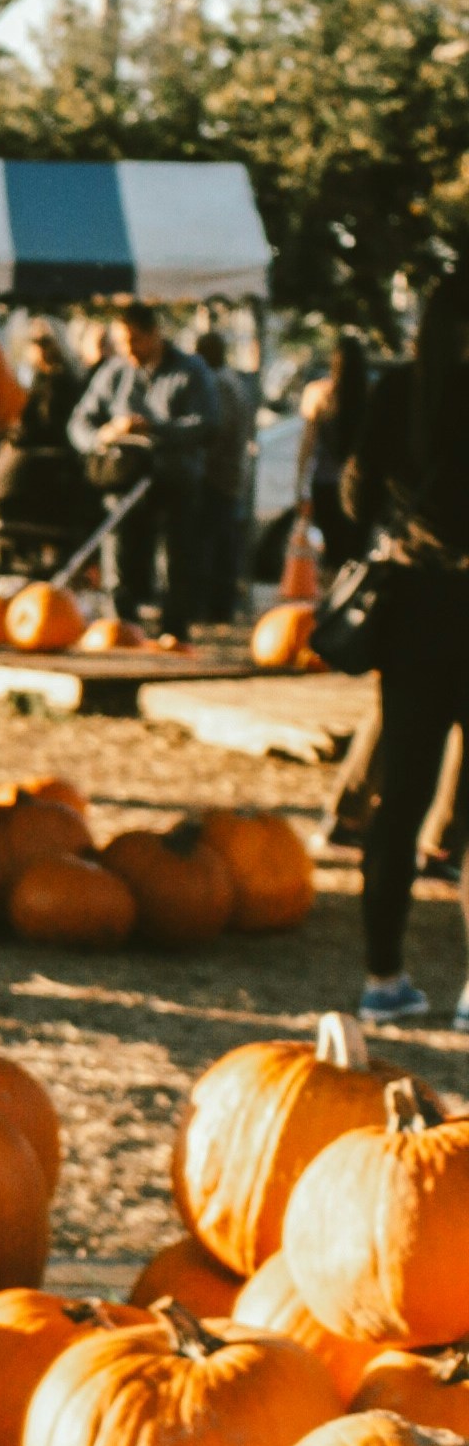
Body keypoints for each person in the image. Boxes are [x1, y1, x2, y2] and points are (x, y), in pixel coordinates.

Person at [341, 273, 469, 1026]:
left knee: (401, 800)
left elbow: (354, 498)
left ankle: (383, 977)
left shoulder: (399, 393)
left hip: (416, 610)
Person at [67, 302, 218, 641]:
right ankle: (120, 623)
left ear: (155, 334)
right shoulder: (115, 371)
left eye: (135, 340)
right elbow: (79, 422)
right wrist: (102, 435)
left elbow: (207, 423)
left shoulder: (190, 371)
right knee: (118, 549)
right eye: (122, 342)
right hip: (125, 477)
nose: (129, 349)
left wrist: (156, 429)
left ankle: (174, 629)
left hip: (172, 477)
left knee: (175, 557)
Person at [0, 320, 92, 561]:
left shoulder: (62, 384)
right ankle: (10, 554)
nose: (38, 349)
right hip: (26, 454)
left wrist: (14, 434)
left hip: (43, 463)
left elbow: (46, 426)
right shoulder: (35, 380)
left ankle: (14, 553)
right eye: (33, 343)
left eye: (43, 342)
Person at [297, 334, 373, 575]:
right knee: (357, 556)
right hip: (360, 487)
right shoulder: (371, 395)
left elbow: (306, 446)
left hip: (326, 485)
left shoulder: (318, 393)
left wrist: (299, 486)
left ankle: (330, 606)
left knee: (331, 555)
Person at [195, 328, 257, 622]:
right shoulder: (234, 381)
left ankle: (216, 607)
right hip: (232, 472)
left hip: (218, 474)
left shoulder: (218, 384)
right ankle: (221, 604)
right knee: (223, 542)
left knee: (213, 544)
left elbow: (218, 430)